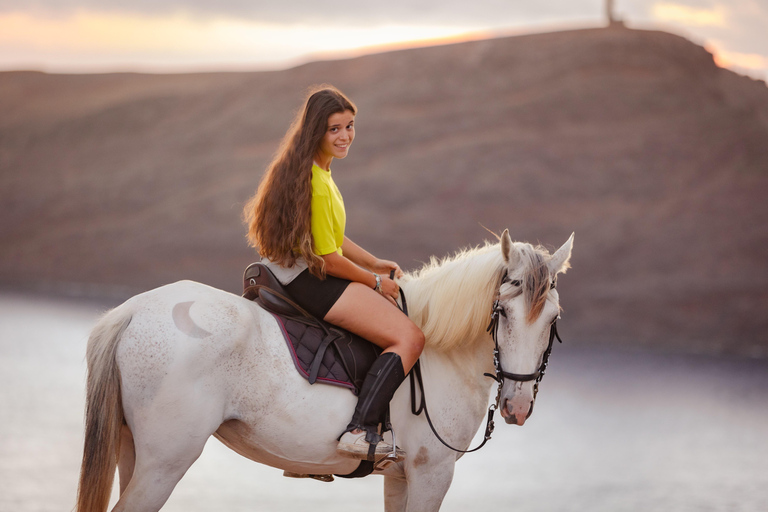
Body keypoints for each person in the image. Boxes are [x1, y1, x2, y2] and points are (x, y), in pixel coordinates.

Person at [242, 85, 425, 461]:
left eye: (350, 126)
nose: (345, 137)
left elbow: (332, 236)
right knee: (409, 337)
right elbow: (327, 258)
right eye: (335, 129)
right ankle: (360, 430)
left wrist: (373, 261)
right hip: (312, 278)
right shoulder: (318, 183)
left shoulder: (309, 170)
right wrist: (376, 282)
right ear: (317, 132)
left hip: (291, 273)